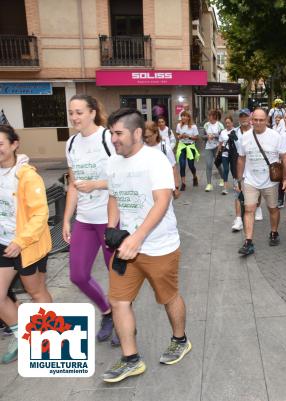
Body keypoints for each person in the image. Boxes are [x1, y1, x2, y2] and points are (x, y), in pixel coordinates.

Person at [102, 108, 191, 383]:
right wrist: (110, 228)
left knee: (168, 297)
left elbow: (162, 201)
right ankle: (131, 359)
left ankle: (180, 339)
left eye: (119, 133)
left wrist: (138, 238)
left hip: (159, 246)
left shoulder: (155, 161)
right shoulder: (113, 163)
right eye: (111, 134)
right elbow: (114, 197)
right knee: (118, 301)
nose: (114, 139)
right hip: (126, 248)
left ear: (137, 133)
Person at [63, 94, 116, 344]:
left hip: (110, 218)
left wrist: (96, 184)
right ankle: (108, 312)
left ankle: (125, 322)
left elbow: (124, 177)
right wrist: (66, 219)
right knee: (78, 275)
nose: (74, 117)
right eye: (71, 112)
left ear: (93, 113)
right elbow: (73, 184)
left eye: (79, 112)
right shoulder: (71, 143)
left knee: (116, 276)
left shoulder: (108, 138)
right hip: (84, 219)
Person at [0, 125, 52, 364]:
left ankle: (48, 338)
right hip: (2, 243)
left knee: (36, 292)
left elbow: (41, 214)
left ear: (14, 144)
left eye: (1, 144)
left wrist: (21, 241)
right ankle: (22, 336)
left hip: (27, 245)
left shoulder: (27, 175)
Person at [237, 109, 286, 255]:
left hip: (271, 181)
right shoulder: (245, 137)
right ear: (251, 120)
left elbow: (285, 158)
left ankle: (274, 232)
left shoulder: (276, 136)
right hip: (250, 180)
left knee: (273, 209)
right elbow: (241, 158)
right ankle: (248, 242)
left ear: (267, 120)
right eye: (256, 120)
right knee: (249, 210)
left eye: (262, 120)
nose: (259, 123)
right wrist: (239, 179)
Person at [143, 121, 180, 199]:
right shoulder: (141, 147)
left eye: (149, 136)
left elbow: (173, 167)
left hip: (163, 186)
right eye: (144, 137)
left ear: (156, 133)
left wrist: (176, 187)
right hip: (146, 187)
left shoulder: (165, 148)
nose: (146, 139)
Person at [230, 109, 252, 232]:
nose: (244, 119)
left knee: (255, 193)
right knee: (238, 193)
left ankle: (257, 208)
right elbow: (231, 153)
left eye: (246, 116)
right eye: (241, 117)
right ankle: (238, 219)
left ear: (250, 118)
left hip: (253, 168)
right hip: (238, 168)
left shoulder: (255, 132)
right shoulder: (234, 133)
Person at [175, 111, 199, 191]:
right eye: (182, 116)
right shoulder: (179, 125)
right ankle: (184, 183)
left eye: (185, 116)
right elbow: (177, 136)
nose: (183, 118)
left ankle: (194, 177)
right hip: (182, 146)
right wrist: (180, 136)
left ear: (188, 117)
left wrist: (188, 136)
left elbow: (196, 138)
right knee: (182, 165)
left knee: (191, 165)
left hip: (190, 146)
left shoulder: (193, 126)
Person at [202, 110, 225, 192]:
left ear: (215, 116)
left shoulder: (220, 125)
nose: (209, 117)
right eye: (208, 115)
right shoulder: (206, 125)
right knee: (208, 165)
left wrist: (215, 136)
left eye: (210, 115)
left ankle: (223, 178)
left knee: (218, 164)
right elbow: (202, 136)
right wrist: (207, 137)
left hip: (217, 147)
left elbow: (223, 136)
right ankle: (209, 184)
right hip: (208, 147)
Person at [218, 116, 236, 195]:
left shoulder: (236, 131)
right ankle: (225, 188)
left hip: (233, 154)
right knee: (225, 169)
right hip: (224, 153)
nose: (227, 124)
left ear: (232, 122)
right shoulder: (223, 132)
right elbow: (220, 143)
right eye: (226, 123)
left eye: (229, 123)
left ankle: (235, 185)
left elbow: (238, 142)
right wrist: (217, 153)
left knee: (233, 169)